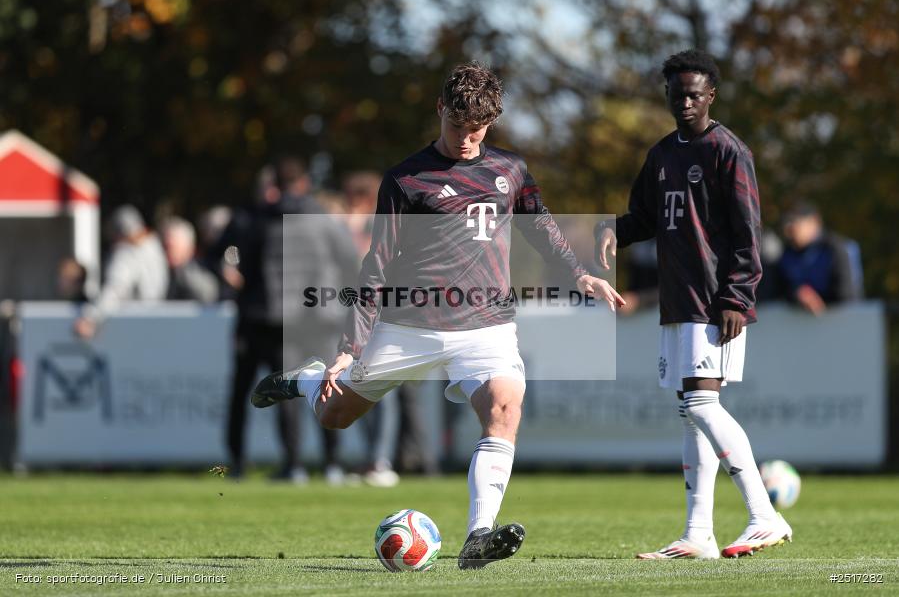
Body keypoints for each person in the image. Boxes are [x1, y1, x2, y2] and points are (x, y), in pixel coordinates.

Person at [251, 61, 624, 568]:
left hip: (487, 326)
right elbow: (376, 265)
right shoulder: (406, 180)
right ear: (440, 109)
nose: (468, 140)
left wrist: (578, 272)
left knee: (504, 409)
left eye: (479, 130)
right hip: (410, 325)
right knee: (335, 416)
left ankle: (478, 536)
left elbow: (538, 222)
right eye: (458, 126)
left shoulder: (510, 169)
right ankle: (307, 381)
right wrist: (346, 349)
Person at [595, 49, 792, 559]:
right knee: (690, 413)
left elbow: (750, 233)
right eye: (677, 93)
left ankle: (764, 515)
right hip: (677, 300)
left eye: (694, 94)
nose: (685, 102)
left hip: (715, 301)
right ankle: (697, 534)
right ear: (666, 95)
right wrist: (608, 228)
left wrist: (737, 294)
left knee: (702, 404)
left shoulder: (729, 151)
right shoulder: (661, 155)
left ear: (711, 97)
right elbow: (644, 219)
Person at [214, 159, 356, 484]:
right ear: (305, 182)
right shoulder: (325, 220)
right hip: (318, 317)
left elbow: (233, 260)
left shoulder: (257, 218)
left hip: (269, 318)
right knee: (327, 387)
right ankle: (332, 463)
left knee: (279, 392)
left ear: (274, 183)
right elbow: (350, 263)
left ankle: (288, 465)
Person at [74, 205, 168, 338]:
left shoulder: (126, 253)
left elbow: (116, 287)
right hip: (156, 324)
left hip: (131, 327)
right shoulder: (154, 247)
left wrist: (91, 317)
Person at [776, 201, 861, 314]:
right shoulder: (786, 253)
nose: (790, 229)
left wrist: (817, 300)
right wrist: (797, 293)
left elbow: (848, 296)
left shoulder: (837, 249)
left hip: (837, 322)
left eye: (796, 222)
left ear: (814, 222)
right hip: (799, 324)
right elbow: (778, 289)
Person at [160, 216, 219, 303]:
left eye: (172, 247)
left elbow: (207, 297)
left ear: (190, 249)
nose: (167, 252)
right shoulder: (157, 273)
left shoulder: (202, 281)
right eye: (164, 247)